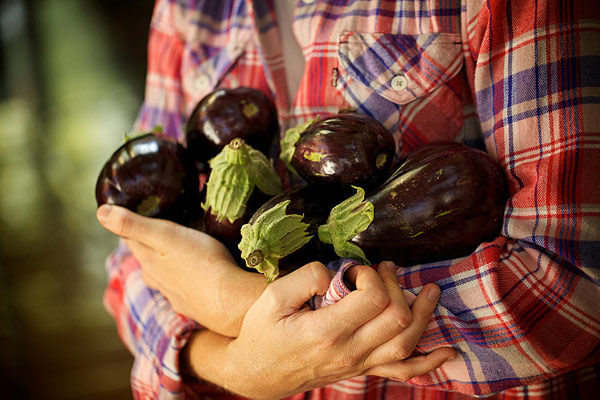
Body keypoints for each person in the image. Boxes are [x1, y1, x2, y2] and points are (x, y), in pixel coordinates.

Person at [97, 0, 600, 399]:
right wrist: (229, 364)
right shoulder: (187, 9)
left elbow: (575, 282)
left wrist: (238, 306)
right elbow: (129, 254)